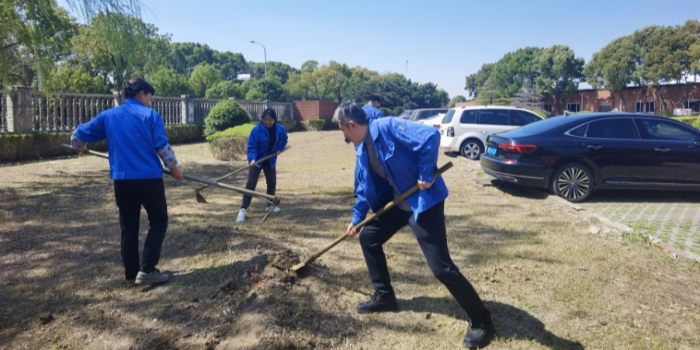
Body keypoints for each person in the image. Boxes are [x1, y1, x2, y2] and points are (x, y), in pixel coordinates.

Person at [332, 103, 495, 349]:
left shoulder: (387, 127)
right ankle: (385, 296)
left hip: (422, 203)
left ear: (352, 125)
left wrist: (424, 173)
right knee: (369, 238)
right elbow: (364, 188)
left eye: (343, 131)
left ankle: (482, 320)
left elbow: (430, 136)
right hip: (397, 205)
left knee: (441, 268)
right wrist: (356, 220)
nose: (344, 136)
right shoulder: (361, 149)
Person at [70, 78, 184, 285]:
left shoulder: (109, 116)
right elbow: (162, 146)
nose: (150, 100)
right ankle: (147, 270)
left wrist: (80, 146)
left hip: (122, 180)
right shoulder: (150, 115)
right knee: (158, 221)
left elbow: (78, 135)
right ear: (142, 94)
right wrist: (175, 168)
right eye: (150, 96)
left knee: (129, 227)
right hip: (148, 178)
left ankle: (132, 273)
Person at [236, 108, 288, 223]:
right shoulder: (256, 130)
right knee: (250, 184)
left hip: (270, 159)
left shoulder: (280, 129)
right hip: (257, 160)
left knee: (271, 182)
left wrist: (280, 149)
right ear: (262, 119)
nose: (267, 122)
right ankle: (243, 209)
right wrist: (252, 159)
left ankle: (269, 204)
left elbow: (284, 140)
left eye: (270, 119)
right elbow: (251, 146)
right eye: (265, 119)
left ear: (274, 119)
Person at [353, 94, 385, 195]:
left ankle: (357, 189)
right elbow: (381, 128)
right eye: (378, 104)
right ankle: (372, 189)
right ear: (376, 102)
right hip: (372, 141)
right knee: (373, 166)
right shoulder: (377, 112)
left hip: (358, 141)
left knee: (360, 163)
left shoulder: (358, 111)